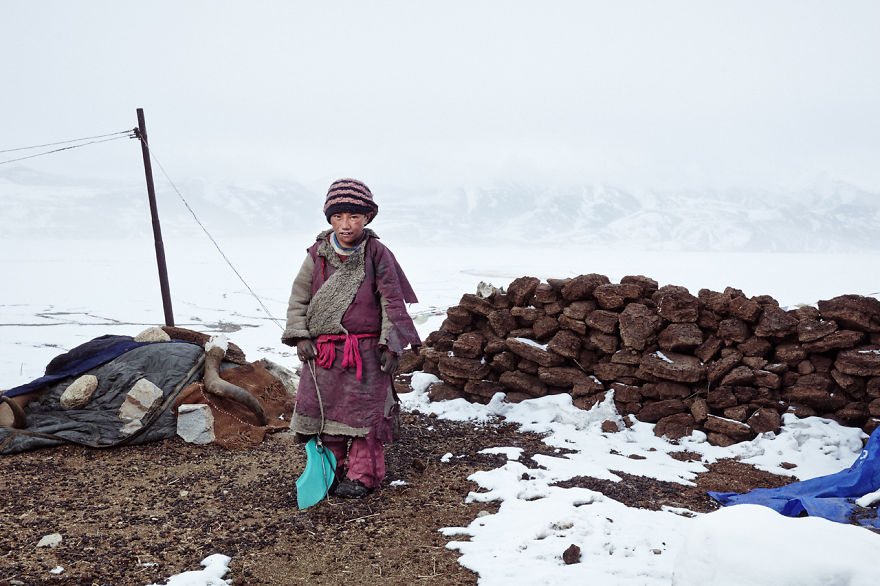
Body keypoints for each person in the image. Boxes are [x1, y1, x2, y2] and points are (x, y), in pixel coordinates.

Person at [281, 178, 421, 499]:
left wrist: (391, 343)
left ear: (367, 218)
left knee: (365, 420)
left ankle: (362, 476)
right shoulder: (317, 255)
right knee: (326, 418)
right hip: (325, 354)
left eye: (355, 217)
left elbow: (391, 300)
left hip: (366, 353)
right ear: (329, 218)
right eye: (339, 217)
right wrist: (300, 335)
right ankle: (331, 471)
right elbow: (300, 297)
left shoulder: (377, 254)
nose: (346, 225)